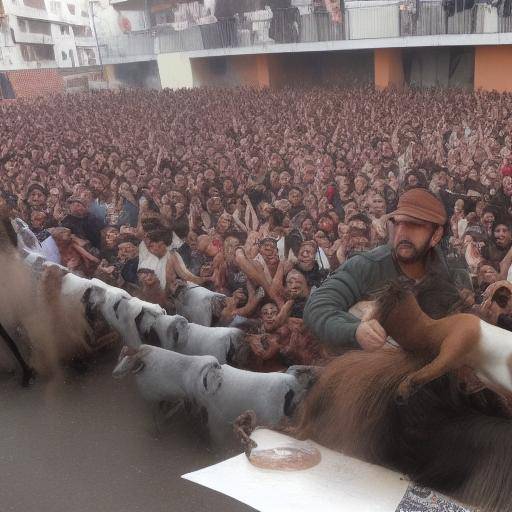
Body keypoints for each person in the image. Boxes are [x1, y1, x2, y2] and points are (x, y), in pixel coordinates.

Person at [304, 188, 467, 351]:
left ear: (436, 235)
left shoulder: (453, 275)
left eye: (414, 225)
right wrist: (354, 331)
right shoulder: (368, 265)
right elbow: (318, 306)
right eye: (397, 223)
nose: (402, 233)